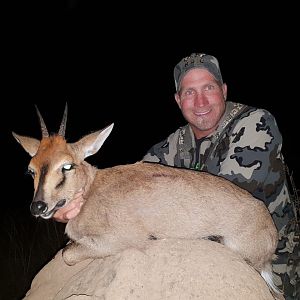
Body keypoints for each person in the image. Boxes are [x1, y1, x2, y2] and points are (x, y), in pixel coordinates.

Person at [54, 53, 299, 299]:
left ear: (224, 90)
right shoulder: (172, 145)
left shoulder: (256, 124)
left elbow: (230, 205)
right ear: (178, 99)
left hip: (268, 257)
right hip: (199, 253)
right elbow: (131, 194)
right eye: (190, 92)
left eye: (208, 88)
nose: (200, 101)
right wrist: (75, 203)